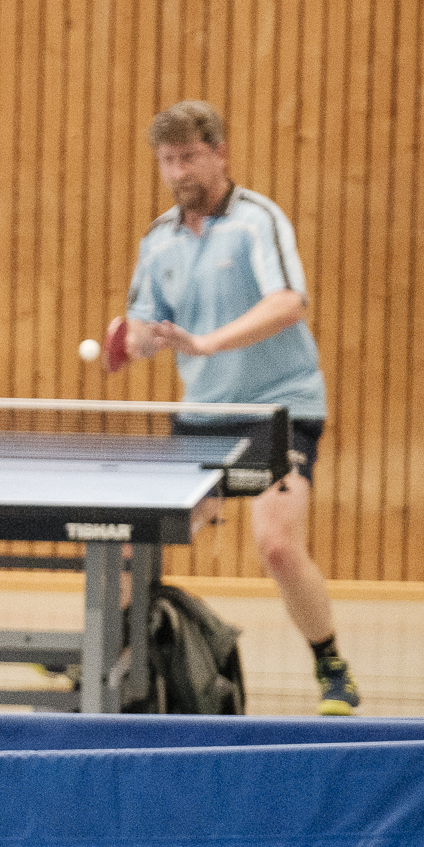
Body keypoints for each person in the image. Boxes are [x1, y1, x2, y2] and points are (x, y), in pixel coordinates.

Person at [121, 99, 359, 713]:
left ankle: (330, 664)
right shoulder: (159, 239)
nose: (178, 172)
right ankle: (110, 652)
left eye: (189, 157)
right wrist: (135, 340)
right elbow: (144, 321)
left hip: (278, 410)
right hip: (203, 413)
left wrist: (207, 343)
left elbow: (288, 303)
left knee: (277, 544)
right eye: (167, 161)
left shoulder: (258, 221)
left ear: (220, 154)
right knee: (128, 541)